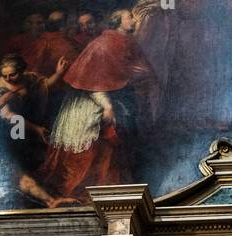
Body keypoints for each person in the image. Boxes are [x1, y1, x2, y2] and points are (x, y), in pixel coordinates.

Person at [38, 8, 156, 200]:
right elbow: (92, 81)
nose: (134, 21)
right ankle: (93, 194)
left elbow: (133, 70)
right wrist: (107, 106)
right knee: (96, 147)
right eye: (130, 18)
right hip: (91, 102)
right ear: (119, 22)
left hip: (112, 99)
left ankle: (116, 192)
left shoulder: (123, 41)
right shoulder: (105, 45)